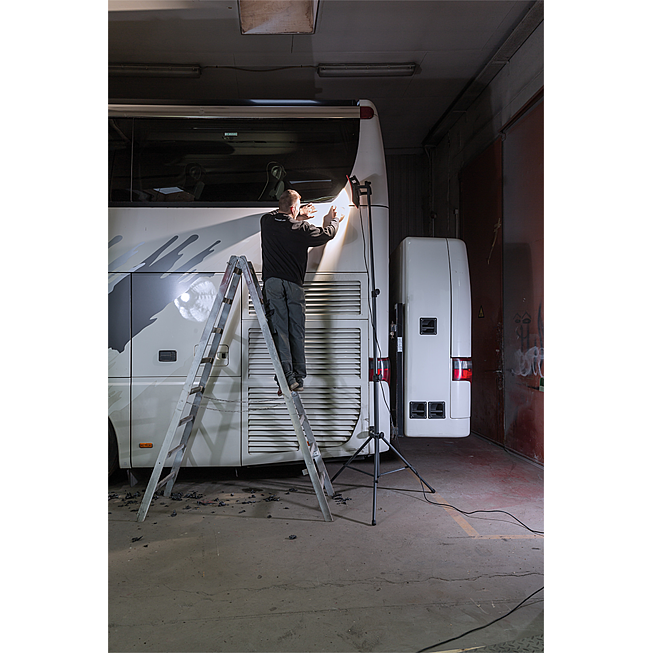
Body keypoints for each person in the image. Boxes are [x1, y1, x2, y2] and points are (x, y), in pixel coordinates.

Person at [260, 189, 343, 393]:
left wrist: (299, 212)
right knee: (296, 331)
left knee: (280, 330)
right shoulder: (302, 228)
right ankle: (298, 378)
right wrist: (335, 220)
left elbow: (279, 216)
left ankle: (287, 378)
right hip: (294, 285)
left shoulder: (266, 222)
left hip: (273, 284)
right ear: (293, 209)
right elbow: (327, 234)